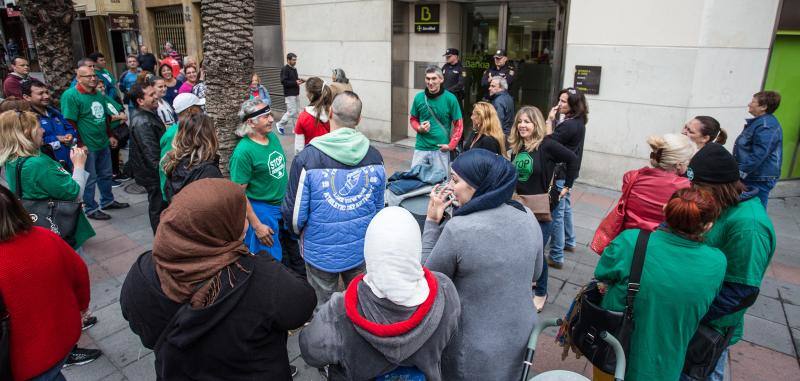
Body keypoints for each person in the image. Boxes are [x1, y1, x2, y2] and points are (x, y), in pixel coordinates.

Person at [120, 178, 316, 380]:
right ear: (221, 225)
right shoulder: (259, 276)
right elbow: (303, 305)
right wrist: (261, 260)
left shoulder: (142, 272)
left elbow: (142, 329)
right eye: (242, 216)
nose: (247, 222)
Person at [299, 207, 461, 380]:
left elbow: (311, 352)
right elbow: (450, 347)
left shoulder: (339, 311)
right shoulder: (444, 290)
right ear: (415, 247)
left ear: (369, 250)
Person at [422, 148, 542, 380]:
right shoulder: (527, 215)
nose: (450, 186)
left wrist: (431, 222)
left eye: (455, 180)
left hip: (473, 348)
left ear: (480, 184)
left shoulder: (459, 229)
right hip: (521, 337)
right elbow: (536, 272)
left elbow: (428, 282)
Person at [0, 110, 102, 367]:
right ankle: (70, 344)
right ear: (25, 133)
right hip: (58, 228)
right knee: (66, 278)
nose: (42, 131)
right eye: (37, 128)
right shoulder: (37, 163)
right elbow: (74, 193)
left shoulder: (12, 162)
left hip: (38, 225)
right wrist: (78, 165)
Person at [594, 188, 727, 381]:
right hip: (665, 365)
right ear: (708, 226)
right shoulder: (717, 262)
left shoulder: (631, 241)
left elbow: (602, 272)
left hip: (612, 354)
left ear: (666, 210)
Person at [681, 143, 776, 381]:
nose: (693, 191)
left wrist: (690, 315)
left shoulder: (749, 226)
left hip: (708, 327)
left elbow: (740, 291)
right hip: (691, 318)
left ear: (719, 187)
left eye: (699, 186)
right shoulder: (720, 206)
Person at [283, 91, 386, 309]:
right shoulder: (375, 157)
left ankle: (327, 340)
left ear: (330, 113)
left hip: (320, 250)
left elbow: (294, 216)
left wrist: (299, 235)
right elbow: (379, 210)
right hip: (360, 249)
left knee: (324, 307)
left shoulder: (307, 159)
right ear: (359, 119)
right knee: (359, 302)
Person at [0, 185, 93, 380]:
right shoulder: (47, 236)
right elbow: (80, 273)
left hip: (22, 364)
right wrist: (82, 307)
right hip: (63, 339)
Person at [509, 106, 577, 311]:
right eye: (520, 121)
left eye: (527, 121)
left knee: (536, 249)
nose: (522, 125)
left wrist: (567, 186)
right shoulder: (518, 147)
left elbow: (572, 159)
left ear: (536, 124)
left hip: (543, 208)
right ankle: (528, 281)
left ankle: (541, 292)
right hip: (521, 207)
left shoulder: (547, 145)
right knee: (523, 248)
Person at [60, 61, 130, 220]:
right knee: (89, 179)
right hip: (86, 146)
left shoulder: (98, 94)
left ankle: (107, 201)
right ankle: (91, 209)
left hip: (102, 142)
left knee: (105, 174)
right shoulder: (71, 96)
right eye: (88, 76)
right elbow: (70, 122)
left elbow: (104, 117)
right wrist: (80, 144)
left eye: (94, 76)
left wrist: (110, 135)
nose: (93, 79)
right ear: (78, 78)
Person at [600, 133, 694, 243]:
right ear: (678, 165)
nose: (688, 165)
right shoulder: (685, 188)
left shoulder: (631, 177)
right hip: (658, 245)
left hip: (628, 240)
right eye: (688, 161)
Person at [230, 99, 288, 261]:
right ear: (251, 122)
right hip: (263, 211)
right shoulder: (243, 152)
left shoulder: (272, 138)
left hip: (283, 206)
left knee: (291, 255)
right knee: (270, 260)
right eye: (265, 116)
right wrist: (257, 225)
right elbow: (239, 193)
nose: (271, 119)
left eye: (270, 115)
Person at [545, 87, 588, 269]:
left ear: (573, 105)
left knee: (557, 214)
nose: (559, 104)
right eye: (559, 100)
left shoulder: (569, 125)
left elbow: (548, 143)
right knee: (566, 206)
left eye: (563, 101)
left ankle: (556, 255)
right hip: (568, 171)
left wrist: (549, 121)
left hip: (561, 173)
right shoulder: (578, 121)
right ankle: (569, 241)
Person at [409, 66, 464, 176]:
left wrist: (450, 146)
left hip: (441, 149)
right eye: (428, 79)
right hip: (421, 148)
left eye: (434, 78)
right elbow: (413, 119)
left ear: (441, 79)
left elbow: (459, 125)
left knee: (439, 183)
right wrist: (419, 128)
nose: (430, 82)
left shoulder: (450, 98)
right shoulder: (419, 98)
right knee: (414, 179)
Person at [735, 90, 783, 207]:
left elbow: (759, 155)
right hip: (755, 175)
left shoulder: (766, 126)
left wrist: (739, 174)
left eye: (753, 102)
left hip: (758, 178)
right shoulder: (761, 123)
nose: (749, 104)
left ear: (763, 107)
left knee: (756, 209)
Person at [128, 83, 166, 233]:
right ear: (140, 101)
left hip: (153, 173)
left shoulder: (147, 115)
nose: (156, 96)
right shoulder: (142, 122)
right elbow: (152, 155)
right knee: (158, 206)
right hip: (153, 175)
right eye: (151, 95)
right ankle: (161, 241)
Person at [162, 113, 221, 202]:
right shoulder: (209, 171)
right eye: (214, 130)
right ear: (208, 137)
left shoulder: (174, 162)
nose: (217, 133)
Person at [23, 80, 78, 172]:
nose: (46, 96)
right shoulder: (27, 118)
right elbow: (29, 142)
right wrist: (56, 138)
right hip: (49, 167)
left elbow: (70, 127)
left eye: (47, 92)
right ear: (27, 97)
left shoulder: (54, 112)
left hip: (69, 162)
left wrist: (70, 135)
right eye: (40, 93)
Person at [159, 92, 206, 202]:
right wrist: (168, 194)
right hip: (177, 193)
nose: (201, 110)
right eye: (198, 107)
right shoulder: (174, 134)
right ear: (191, 110)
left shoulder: (192, 128)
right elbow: (165, 165)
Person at [95, 80, 130, 185]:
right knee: (108, 156)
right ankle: (109, 178)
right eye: (99, 87)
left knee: (115, 154)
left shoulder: (106, 97)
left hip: (118, 131)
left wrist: (121, 114)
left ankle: (116, 173)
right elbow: (105, 117)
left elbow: (119, 107)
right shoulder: (97, 100)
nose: (102, 89)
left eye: (103, 86)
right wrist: (120, 118)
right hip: (108, 132)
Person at [294, 76, 333, 154]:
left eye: (307, 91)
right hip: (330, 156)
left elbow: (298, 149)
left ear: (311, 95)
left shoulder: (303, 117)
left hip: (311, 159)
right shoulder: (331, 112)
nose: (306, 95)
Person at [275, 53, 304, 135]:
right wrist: (295, 82)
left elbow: (294, 80)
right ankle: (280, 124)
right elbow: (284, 82)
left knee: (297, 112)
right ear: (288, 60)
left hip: (295, 93)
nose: (295, 61)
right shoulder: (285, 69)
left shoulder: (294, 69)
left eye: (295, 60)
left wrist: (300, 80)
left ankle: (295, 129)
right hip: (289, 94)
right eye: (293, 60)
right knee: (291, 111)